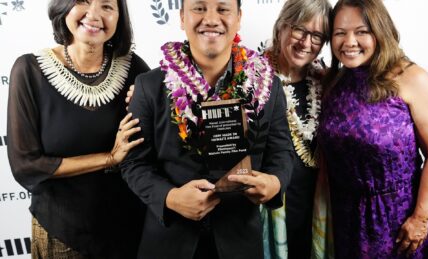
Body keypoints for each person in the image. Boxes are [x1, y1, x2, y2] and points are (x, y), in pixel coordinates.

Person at [120, 0, 294, 258]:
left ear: (238, 18)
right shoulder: (149, 86)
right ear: (181, 18)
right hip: (168, 243)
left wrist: (274, 182)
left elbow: (282, 153)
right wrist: (170, 198)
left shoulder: (268, 86)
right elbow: (133, 163)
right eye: (199, 8)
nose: (211, 19)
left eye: (223, 9)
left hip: (240, 243)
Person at [7, 0, 150, 258]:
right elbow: (26, 165)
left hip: (129, 230)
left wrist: (151, 103)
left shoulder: (135, 69)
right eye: (83, 1)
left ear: (119, 17)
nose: (94, 14)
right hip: (63, 232)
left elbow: (155, 146)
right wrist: (109, 158)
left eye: (107, 6)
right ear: (64, 7)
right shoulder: (30, 71)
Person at [318, 0, 428, 258]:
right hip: (345, 218)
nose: (349, 41)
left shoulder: (412, 79)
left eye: (361, 31)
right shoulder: (335, 82)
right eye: (340, 33)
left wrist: (420, 218)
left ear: (380, 31)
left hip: (398, 222)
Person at [260, 0, 331, 258]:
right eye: (299, 29)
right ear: (281, 27)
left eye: (316, 36)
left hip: (315, 209)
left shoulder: (327, 82)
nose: (305, 42)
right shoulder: (251, 77)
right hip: (269, 210)